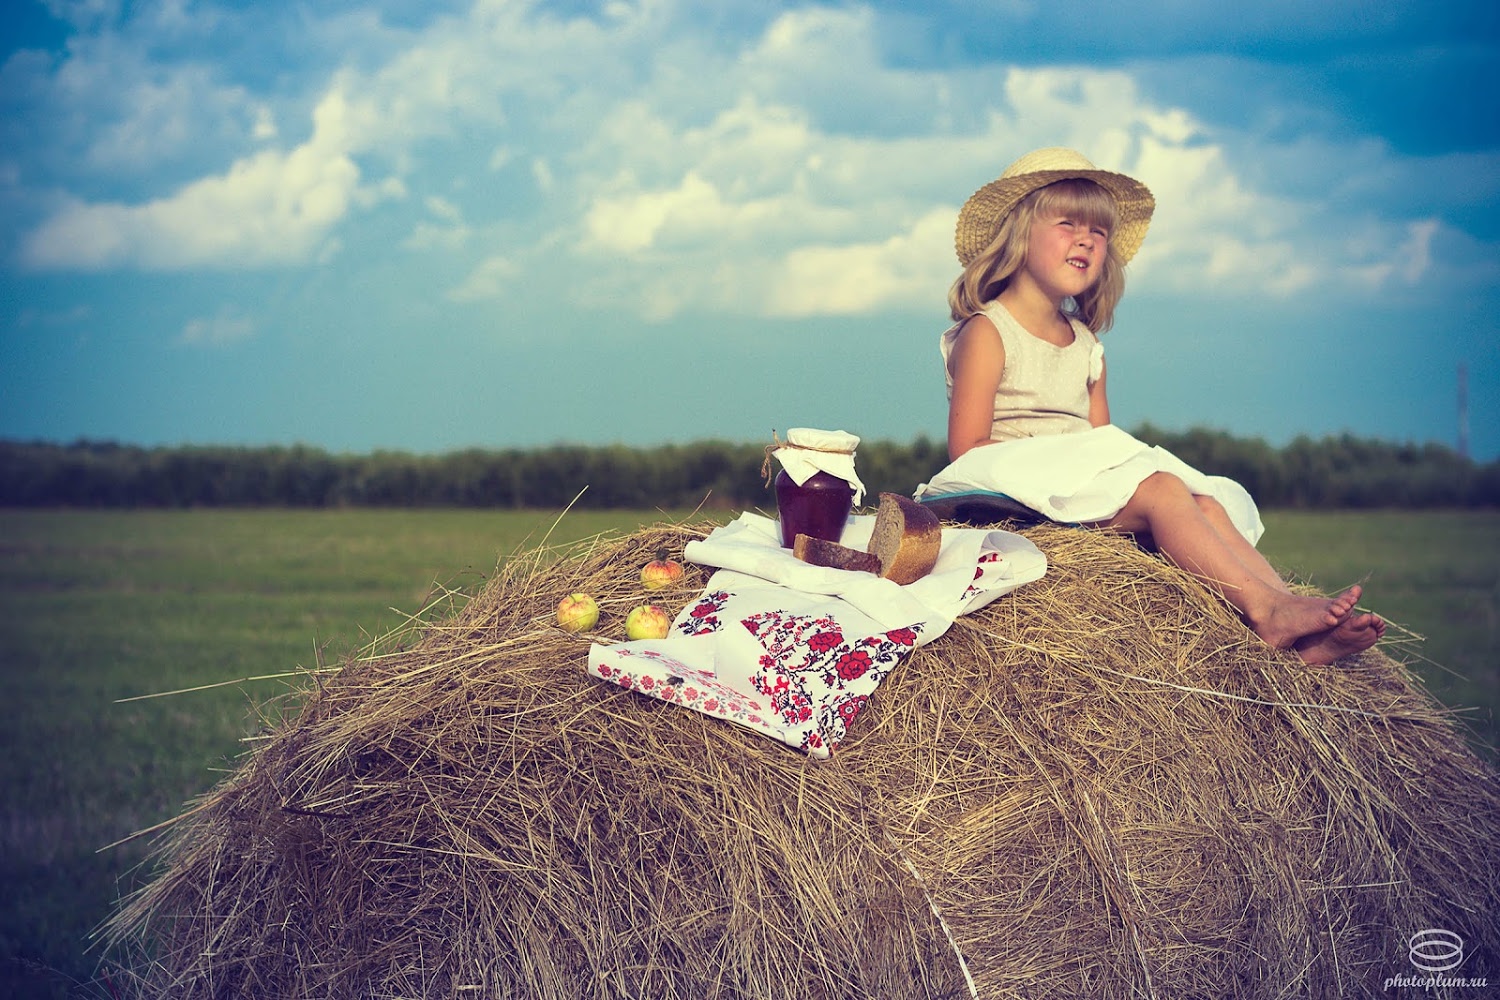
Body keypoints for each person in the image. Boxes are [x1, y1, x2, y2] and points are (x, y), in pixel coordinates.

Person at [920, 147, 1384, 664]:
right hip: (1002, 490)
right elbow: (967, 449)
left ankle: (1290, 612)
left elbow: (1104, 445)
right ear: (1019, 235)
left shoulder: (1086, 343)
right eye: (1068, 223)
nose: (1085, 239)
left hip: (1070, 484)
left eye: (1098, 232)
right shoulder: (988, 331)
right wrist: (1053, 465)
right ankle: (1264, 611)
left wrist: (1088, 474)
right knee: (1162, 488)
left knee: (1202, 501)